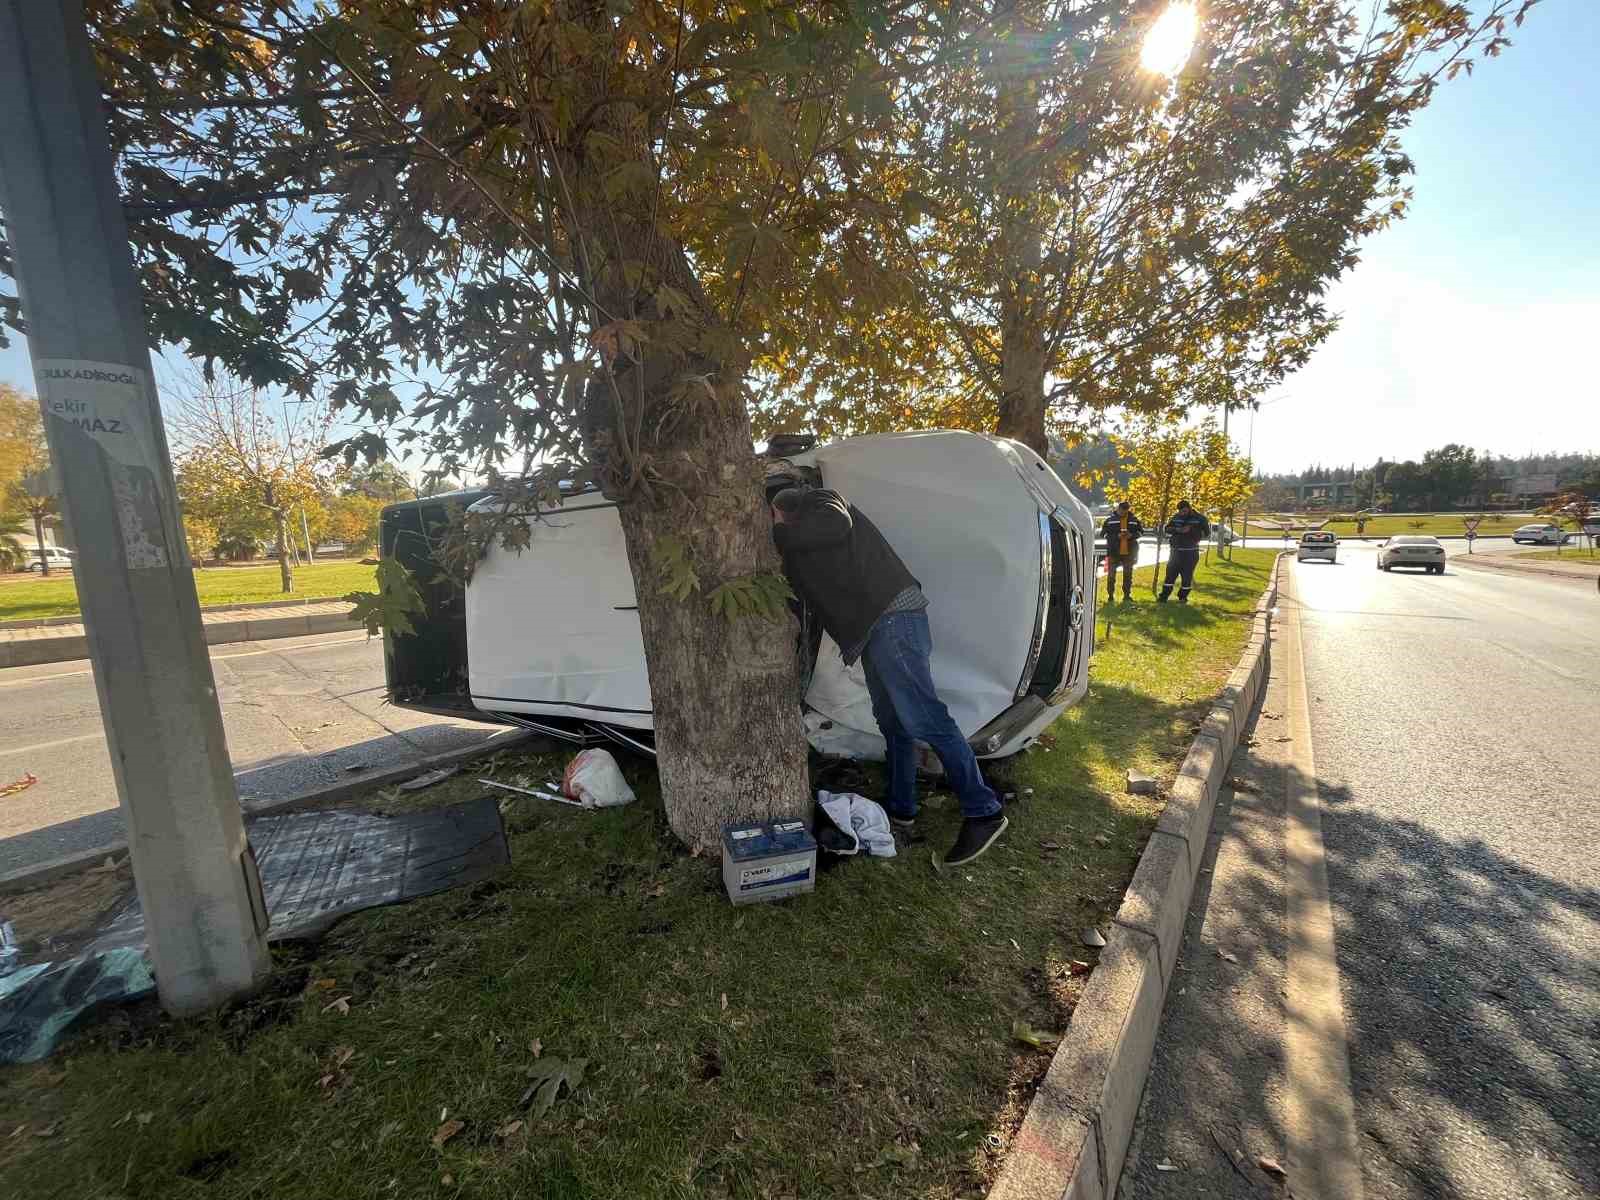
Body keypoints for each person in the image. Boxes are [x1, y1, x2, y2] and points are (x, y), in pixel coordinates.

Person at [770, 486, 1007, 866]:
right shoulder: (801, 548)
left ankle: (984, 811)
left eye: (773, 517)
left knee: (924, 718)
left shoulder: (822, 501)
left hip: (893, 617)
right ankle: (902, 808)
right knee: (893, 722)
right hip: (873, 630)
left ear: (781, 510)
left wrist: (779, 533)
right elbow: (802, 595)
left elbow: (834, 524)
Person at [1159, 499, 1211, 603]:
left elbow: (1206, 534)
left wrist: (1191, 531)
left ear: (1189, 508)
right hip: (1175, 552)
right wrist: (1178, 530)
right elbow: (1167, 529)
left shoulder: (1200, 519)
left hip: (1190, 553)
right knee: (1170, 576)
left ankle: (1183, 597)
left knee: (1186, 577)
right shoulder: (1176, 517)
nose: (1181, 513)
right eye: (1180, 511)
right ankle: (1163, 597)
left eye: (1184, 511)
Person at [1100, 501, 1144, 603]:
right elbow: (1103, 534)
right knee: (1111, 575)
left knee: (1128, 575)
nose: (1123, 512)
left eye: (1126, 510)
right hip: (1113, 552)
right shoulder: (1110, 520)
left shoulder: (1134, 520)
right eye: (1122, 510)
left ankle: (1127, 595)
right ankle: (1110, 596)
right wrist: (1116, 536)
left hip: (1129, 552)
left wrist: (1131, 535)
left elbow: (1141, 532)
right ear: (1118, 508)